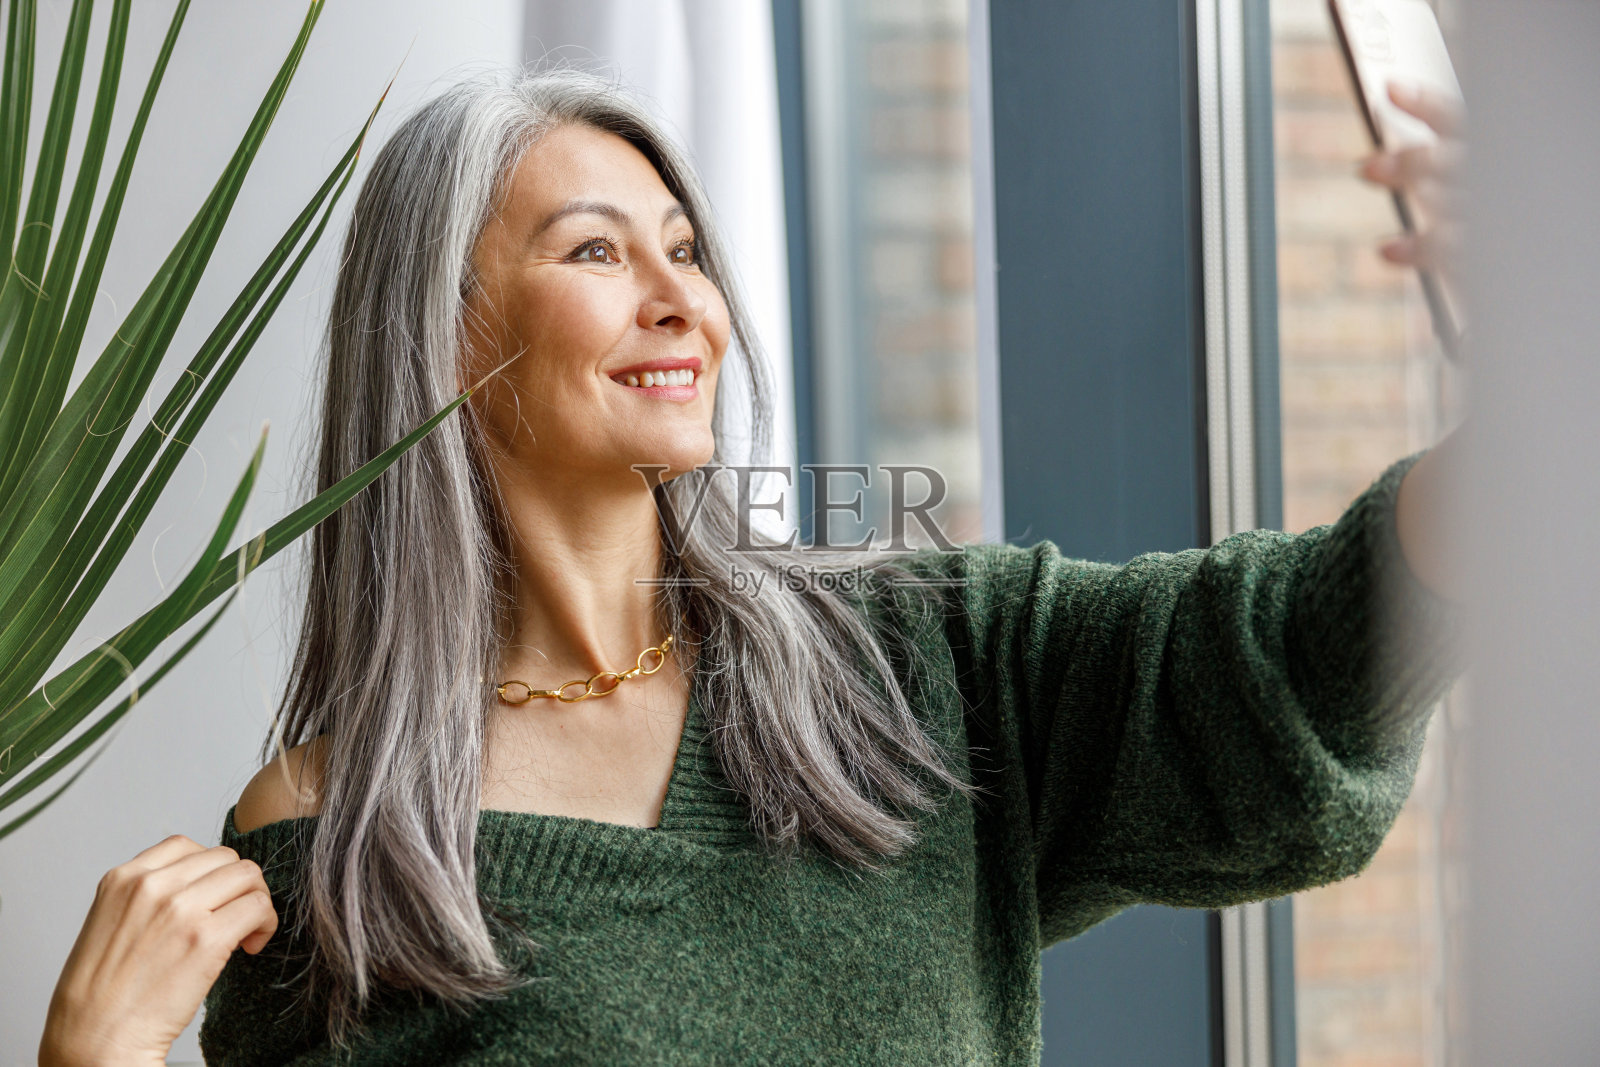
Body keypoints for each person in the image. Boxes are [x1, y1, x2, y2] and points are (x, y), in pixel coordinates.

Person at [37, 69, 1467, 1066]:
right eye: (598, 250)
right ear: (446, 339)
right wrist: (95, 1054)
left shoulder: (918, 665)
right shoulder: (336, 838)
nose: (682, 301)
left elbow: (1288, 661)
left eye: (686, 249)